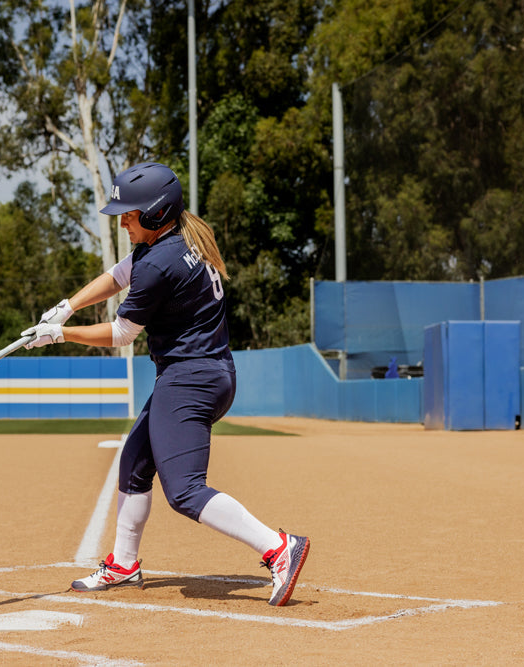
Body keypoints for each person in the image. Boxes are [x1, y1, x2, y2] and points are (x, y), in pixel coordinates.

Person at [22, 162, 309, 607]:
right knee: (135, 462)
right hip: (201, 371)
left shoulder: (159, 262)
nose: (122, 221)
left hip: (190, 377)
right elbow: (118, 276)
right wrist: (67, 306)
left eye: (130, 214)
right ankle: (124, 563)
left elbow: (122, 333)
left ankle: (278, 548)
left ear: (156, 214)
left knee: (185, 490)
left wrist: (62, 335)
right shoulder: (173, 242)